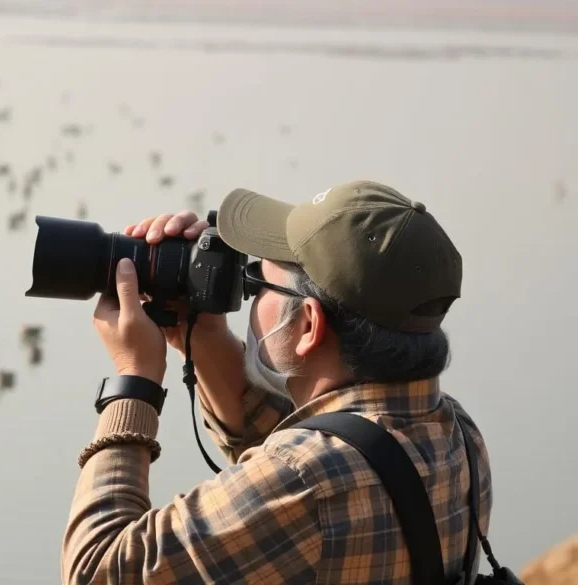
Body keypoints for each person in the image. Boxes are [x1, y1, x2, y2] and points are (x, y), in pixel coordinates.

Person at [62, 180, 492, 584]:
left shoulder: (304, 483)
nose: (246, 298)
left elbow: (98, 571)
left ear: (309, 324)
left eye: (256, 283)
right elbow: (309, 441)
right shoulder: (458, 435)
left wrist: (135, 380)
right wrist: (205, 338)